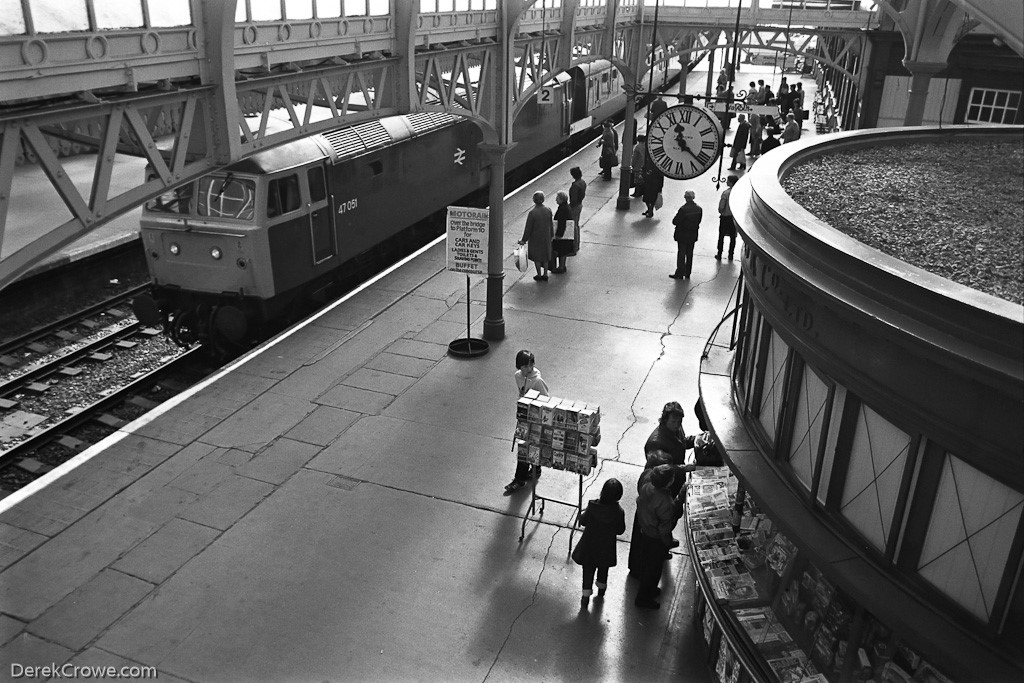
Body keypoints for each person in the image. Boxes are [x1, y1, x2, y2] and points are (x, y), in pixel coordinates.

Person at [632, 464, 684, 609]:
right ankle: (643, 598)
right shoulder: (665, 502)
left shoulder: (647, 487)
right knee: (654, 569)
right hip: (656, 538)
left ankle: (647, 590)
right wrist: (666, 542)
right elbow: (665, 527)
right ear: (668, 482)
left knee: (646, 564)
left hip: (646, 531)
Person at [571, 478, 626, 609]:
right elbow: (620, 530)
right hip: (606, 548)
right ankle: (601, 589)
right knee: (603, 568)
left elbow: (583, 521)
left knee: (588, 570)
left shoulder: (592, 506)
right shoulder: (618, 512)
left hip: (589, 546)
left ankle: (585, 596)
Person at [506, 349, 549, 493]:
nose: (528, 369)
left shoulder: (537, 381)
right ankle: (534, 469)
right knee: (525, 444)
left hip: (535, 418)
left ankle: (520, 478)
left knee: (528, 445)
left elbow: (546, 398)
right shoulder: (517, 376)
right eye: (525, 367)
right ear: (519, 366)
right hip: (524, 416)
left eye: (530, 366)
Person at [644, 401, 698, 497]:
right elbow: (661, 470)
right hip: (667, 486)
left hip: (677, 478)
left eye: (679, 422)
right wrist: (684, 468)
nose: (677, 425)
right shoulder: (655, 443)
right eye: (673, 422)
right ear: (665, 420)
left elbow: (682, 442)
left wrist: (698, 440)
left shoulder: (675, 428)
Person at [518, 191, 553, 281]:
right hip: (546, 237)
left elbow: (528, 229)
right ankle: (545, 274)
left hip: (535, 238)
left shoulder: (532, 213)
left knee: (537, 257)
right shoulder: (548, 210)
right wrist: (551, 235)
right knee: (545, 256)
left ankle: (539, 274)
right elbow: (551, 224)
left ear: (534, 200)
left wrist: (523, 240)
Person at [670, 190, 702, 279]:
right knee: (690, 253)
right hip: (692, 234)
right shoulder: (699, 209)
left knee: (681, 253)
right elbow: (699, 221)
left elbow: (675, 221)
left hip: (682, 234)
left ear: (685, 198)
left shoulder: (683, 209)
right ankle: (688, 273)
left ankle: (680, 272)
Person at [551, 190, 574, 274]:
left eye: (557, 198)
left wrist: (558, 235)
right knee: (563, 250)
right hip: (566, 234)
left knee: (561, 250)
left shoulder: (562, 209)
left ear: (561, 199)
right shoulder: (566, 207)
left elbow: (561, 223)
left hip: (563, 235)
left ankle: (561, 267)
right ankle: (562, 266)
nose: (556, 200)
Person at [717, 175, 738, 260]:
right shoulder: (738, 192)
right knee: (733, 237)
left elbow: (721, 207)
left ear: (731, 182)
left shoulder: (725, 193)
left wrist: (722, 211)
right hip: (733, 218)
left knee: (721, 236)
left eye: (728, 181)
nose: (726, 182)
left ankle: (719, 253)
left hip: (725, 217)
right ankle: (731, 254)